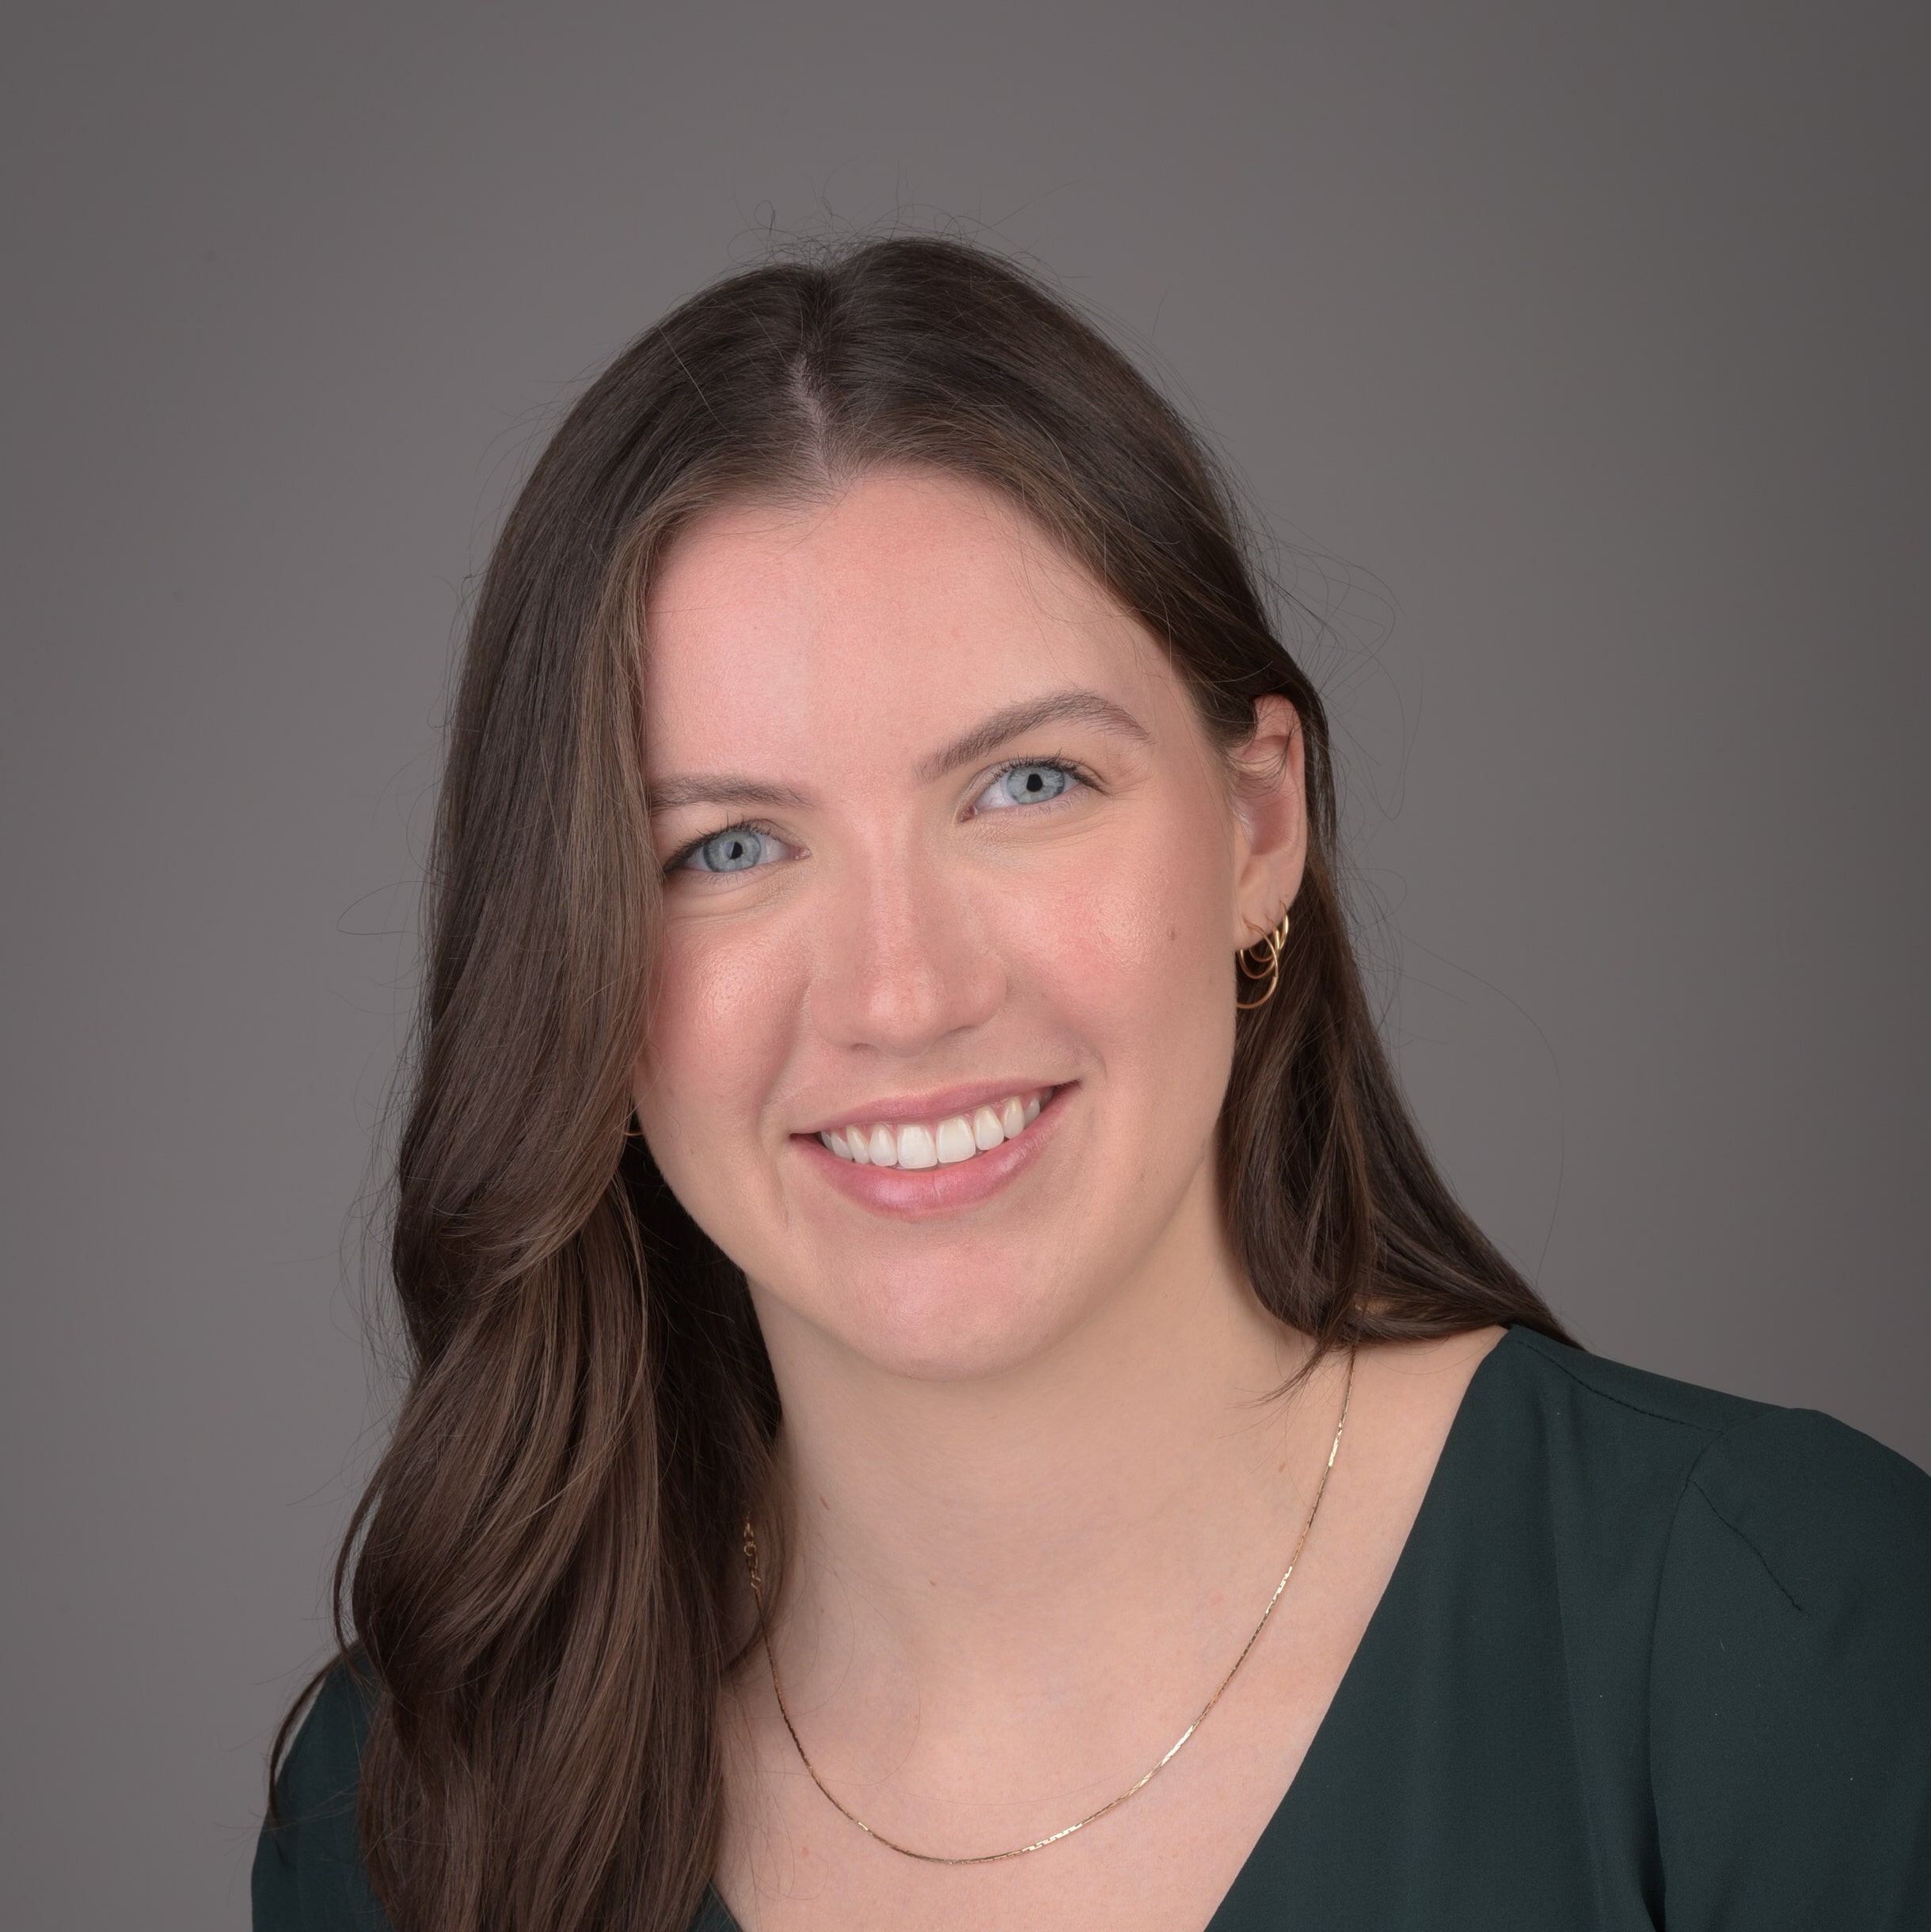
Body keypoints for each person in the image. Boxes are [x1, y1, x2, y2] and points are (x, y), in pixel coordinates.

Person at [254, 238, 1931, 1932]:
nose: (901, 993)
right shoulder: (410, 1808)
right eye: (729, 845)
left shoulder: (1782, 1640)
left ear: (1257, 827)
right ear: (579, 969)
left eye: (1026, 781)